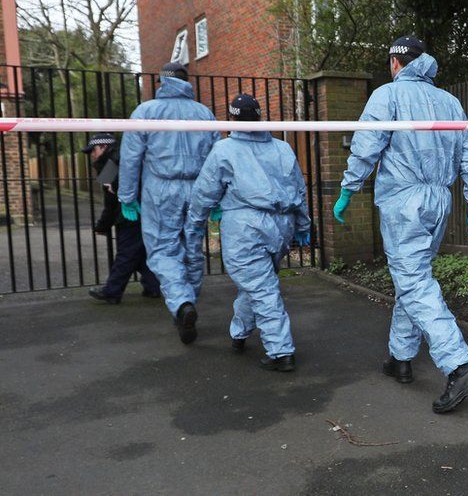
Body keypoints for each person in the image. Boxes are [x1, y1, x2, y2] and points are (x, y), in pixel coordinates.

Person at [334, 36, 468, 413]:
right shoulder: (449, 102)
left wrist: (347, 188)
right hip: (439, 200)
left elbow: (367, 145)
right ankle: (400, 357)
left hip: (404, 201)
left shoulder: (388, 96)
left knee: (414, 280)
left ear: (395, 63)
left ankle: (458, 366)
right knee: (414, 276)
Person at [185, 94, 311, 372]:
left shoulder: (224, 150)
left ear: (232, 118)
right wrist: (302, 225)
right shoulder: (282, 148)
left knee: (262, 288)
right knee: (256, 284)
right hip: (281, 225)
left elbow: (204, 192)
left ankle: (281, 351)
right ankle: (239, 334)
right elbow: (298, 190)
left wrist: (194, 227)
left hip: (245, 227)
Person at [118, 62, 221, 345]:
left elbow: (130, 159)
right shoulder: (204, 113)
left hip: (160, 189)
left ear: (162, 83)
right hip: (198, 188)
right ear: (187, 83)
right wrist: (219, 197)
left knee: (163, 250)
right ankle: (187, 303)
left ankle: (182, 303)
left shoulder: (146, 112)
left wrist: (127, 196)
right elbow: (218, 159)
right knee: (193, 249)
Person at [84, 133, 160, 303]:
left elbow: (110, 203)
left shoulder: (110, 165)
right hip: (148, 210)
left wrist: (102, 225)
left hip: (128, 215)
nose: (92, 155)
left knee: (126, 253)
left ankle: (112, 291)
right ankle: (153, 286)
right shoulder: (127, 157)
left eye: (93, 150)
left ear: (104, 147)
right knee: (138, 253)